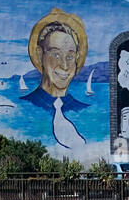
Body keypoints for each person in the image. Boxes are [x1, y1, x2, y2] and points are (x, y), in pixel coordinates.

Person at [21, 10, 88, 149]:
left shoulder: (85, 110)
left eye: (70, 57)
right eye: (56, 55)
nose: (64, 66)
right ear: (40, 55)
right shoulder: (23, 107)